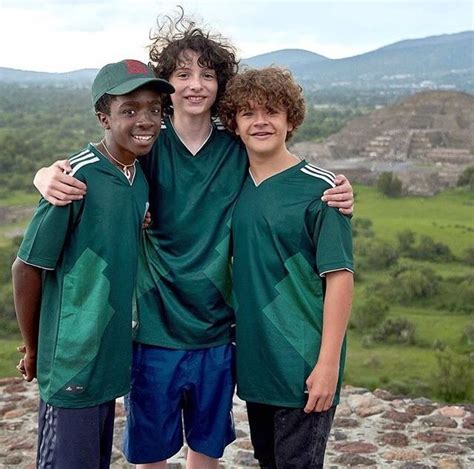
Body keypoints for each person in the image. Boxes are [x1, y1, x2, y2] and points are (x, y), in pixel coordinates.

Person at [32, 11, 354, 469]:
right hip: (154, 329)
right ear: (165, 84)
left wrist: (338, 190)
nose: (196, 84)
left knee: (206, 451)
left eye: (207, 74)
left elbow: (283, 165)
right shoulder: (145, 142)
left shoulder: (234, 146)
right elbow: (94, 162)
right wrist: (43, 175)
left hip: (216, 331)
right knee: (151, 452)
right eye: (182, 74)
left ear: (221, 85)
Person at [12, 59, 174, 469]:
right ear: (103, 117)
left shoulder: (137, 174)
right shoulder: (73, 179)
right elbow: (26, 268)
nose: (147, 119)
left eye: (155, 109)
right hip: (71, 357)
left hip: (109, 356)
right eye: (130, 110)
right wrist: (34, 348)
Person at [219, 67, 354, 468]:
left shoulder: (322, 190)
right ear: (234, 124)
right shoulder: (231, 185)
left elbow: (340, 279)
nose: (260, 122)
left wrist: (328, 365)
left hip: (303, 365)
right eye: (247, 113)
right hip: (257, 366)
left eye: (272, 112)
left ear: (290, 119)